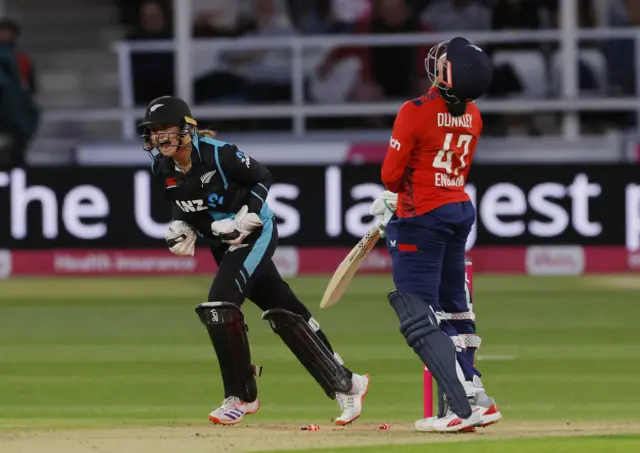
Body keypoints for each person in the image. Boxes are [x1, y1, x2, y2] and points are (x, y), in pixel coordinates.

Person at [138, 95, 370, 426]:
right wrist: (183, 225)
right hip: (224, 241)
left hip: (255, 232)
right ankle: (348, 383)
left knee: (219, 305)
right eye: (153, 131)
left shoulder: (221, 154)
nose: (159, 138)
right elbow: (182, 200)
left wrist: (247, 216)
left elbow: (262, 177)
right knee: (285, 311)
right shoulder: (161, 167)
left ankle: (242, 396)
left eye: (166, 130)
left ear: (186, 129)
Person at [369, 37, 502, 432]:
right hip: (457, 208)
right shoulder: (474, 114)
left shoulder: (416, 111)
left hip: (420, 215)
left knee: (418, 314)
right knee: (452, 308)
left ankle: (461, 409)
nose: (437, 60)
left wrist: (396, 198)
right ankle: (477, 395)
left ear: (448, 74)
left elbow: (391, 175)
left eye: (444, 60)